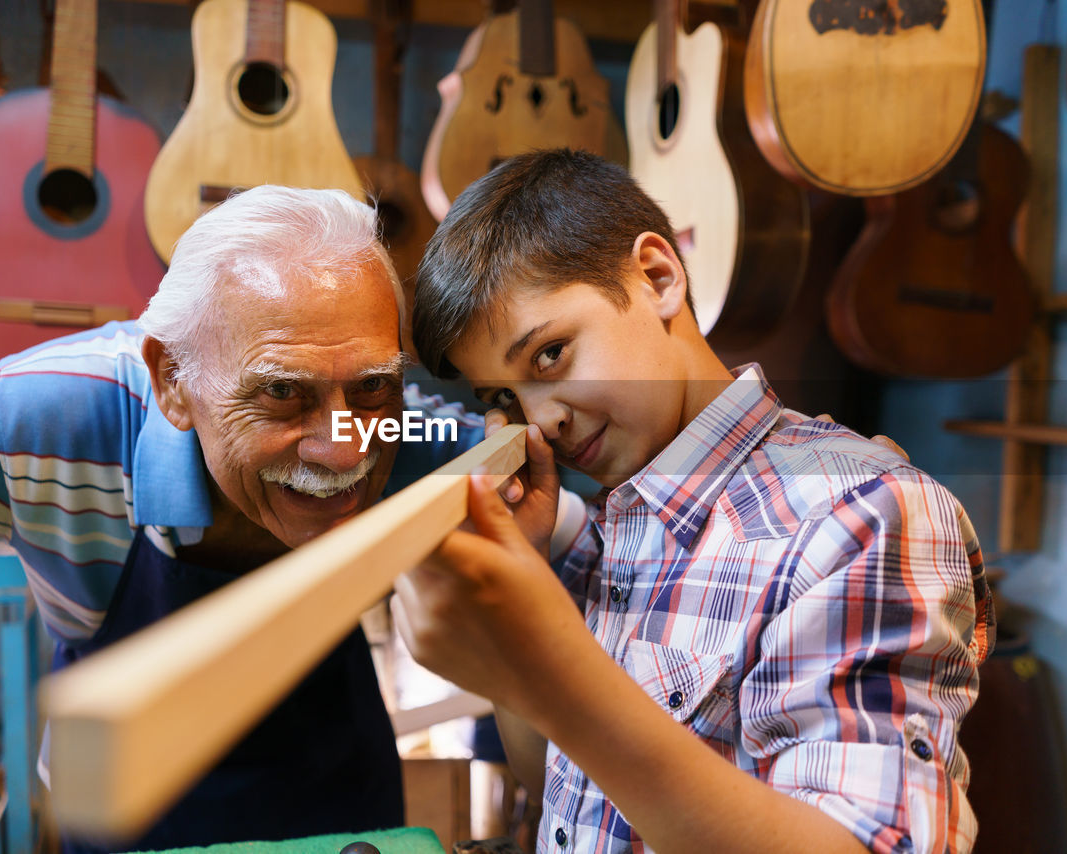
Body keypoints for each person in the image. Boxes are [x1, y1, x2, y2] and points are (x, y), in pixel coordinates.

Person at [391, 149, 995, 854]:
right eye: (504, 396)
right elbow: (563, 785)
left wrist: (542, 667)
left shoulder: (859, 515)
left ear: (658, 276)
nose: (540, 419)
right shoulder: (614, 520)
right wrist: (518, 596)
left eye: (549, 355)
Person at [0, 185, 487, 854]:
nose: (343, 448)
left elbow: (575, 474)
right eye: (281, 392)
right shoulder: (40, 417)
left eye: (370, 386)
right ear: (173, 381)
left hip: (338, 797)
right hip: (117, 815)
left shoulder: (411, 432)